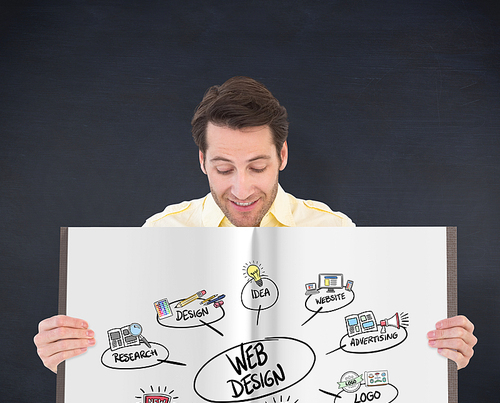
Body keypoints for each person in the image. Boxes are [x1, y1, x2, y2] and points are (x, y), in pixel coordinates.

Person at [34, 76, 476, 373]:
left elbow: (363, 346)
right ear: (202, 161)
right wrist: (70, 357)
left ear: (282, 157)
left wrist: (435, 353)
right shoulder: (162, 235)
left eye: (258, 166)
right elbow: (134, 352)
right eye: (224, 168)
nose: (242, 188)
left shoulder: (334, 233)